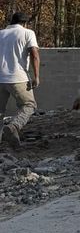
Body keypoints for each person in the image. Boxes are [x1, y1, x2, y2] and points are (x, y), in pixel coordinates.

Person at [0, 12, 40, 149]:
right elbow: (34, 55)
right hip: (18, 77)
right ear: (25, 23)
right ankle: (14, 126)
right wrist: (36, 76)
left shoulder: (1, 34)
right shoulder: (28, 33)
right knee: (29, 105)